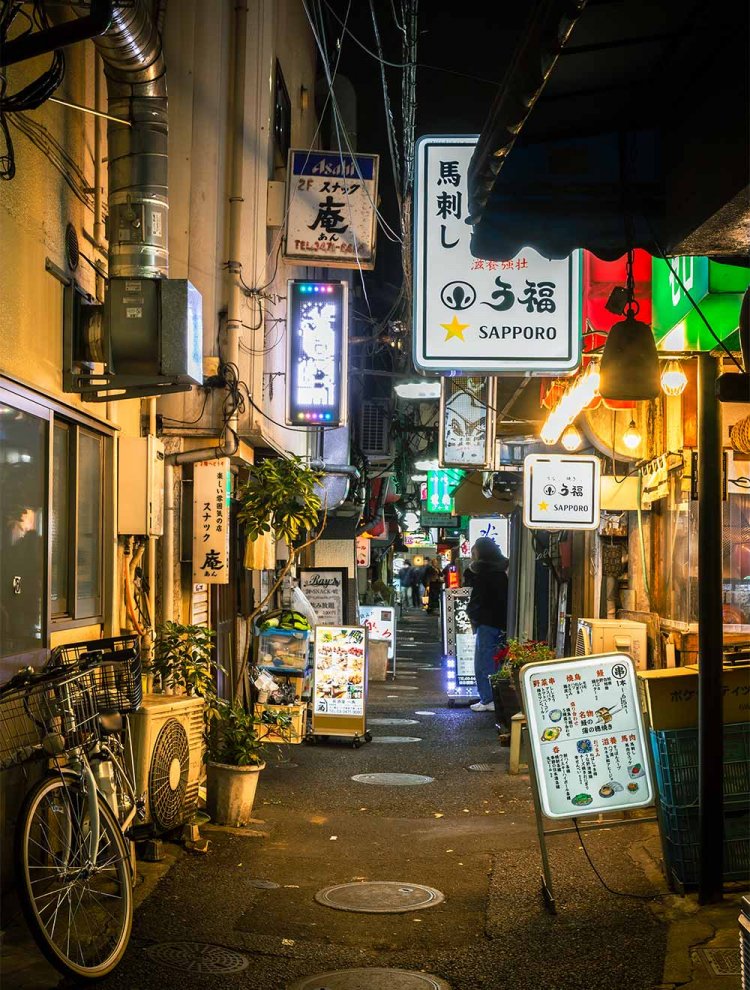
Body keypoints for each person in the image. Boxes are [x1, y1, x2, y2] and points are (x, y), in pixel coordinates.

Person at [465, 537, 509, 712]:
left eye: (474, 550)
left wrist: (474, 615)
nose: (472, 554)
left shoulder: (484, 573)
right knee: (494, 660)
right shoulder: (501, 571)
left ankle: (488, 698)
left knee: (484, 661)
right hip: (500, 622)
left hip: (487, 623)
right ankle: (489, 697)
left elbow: (478, 600)